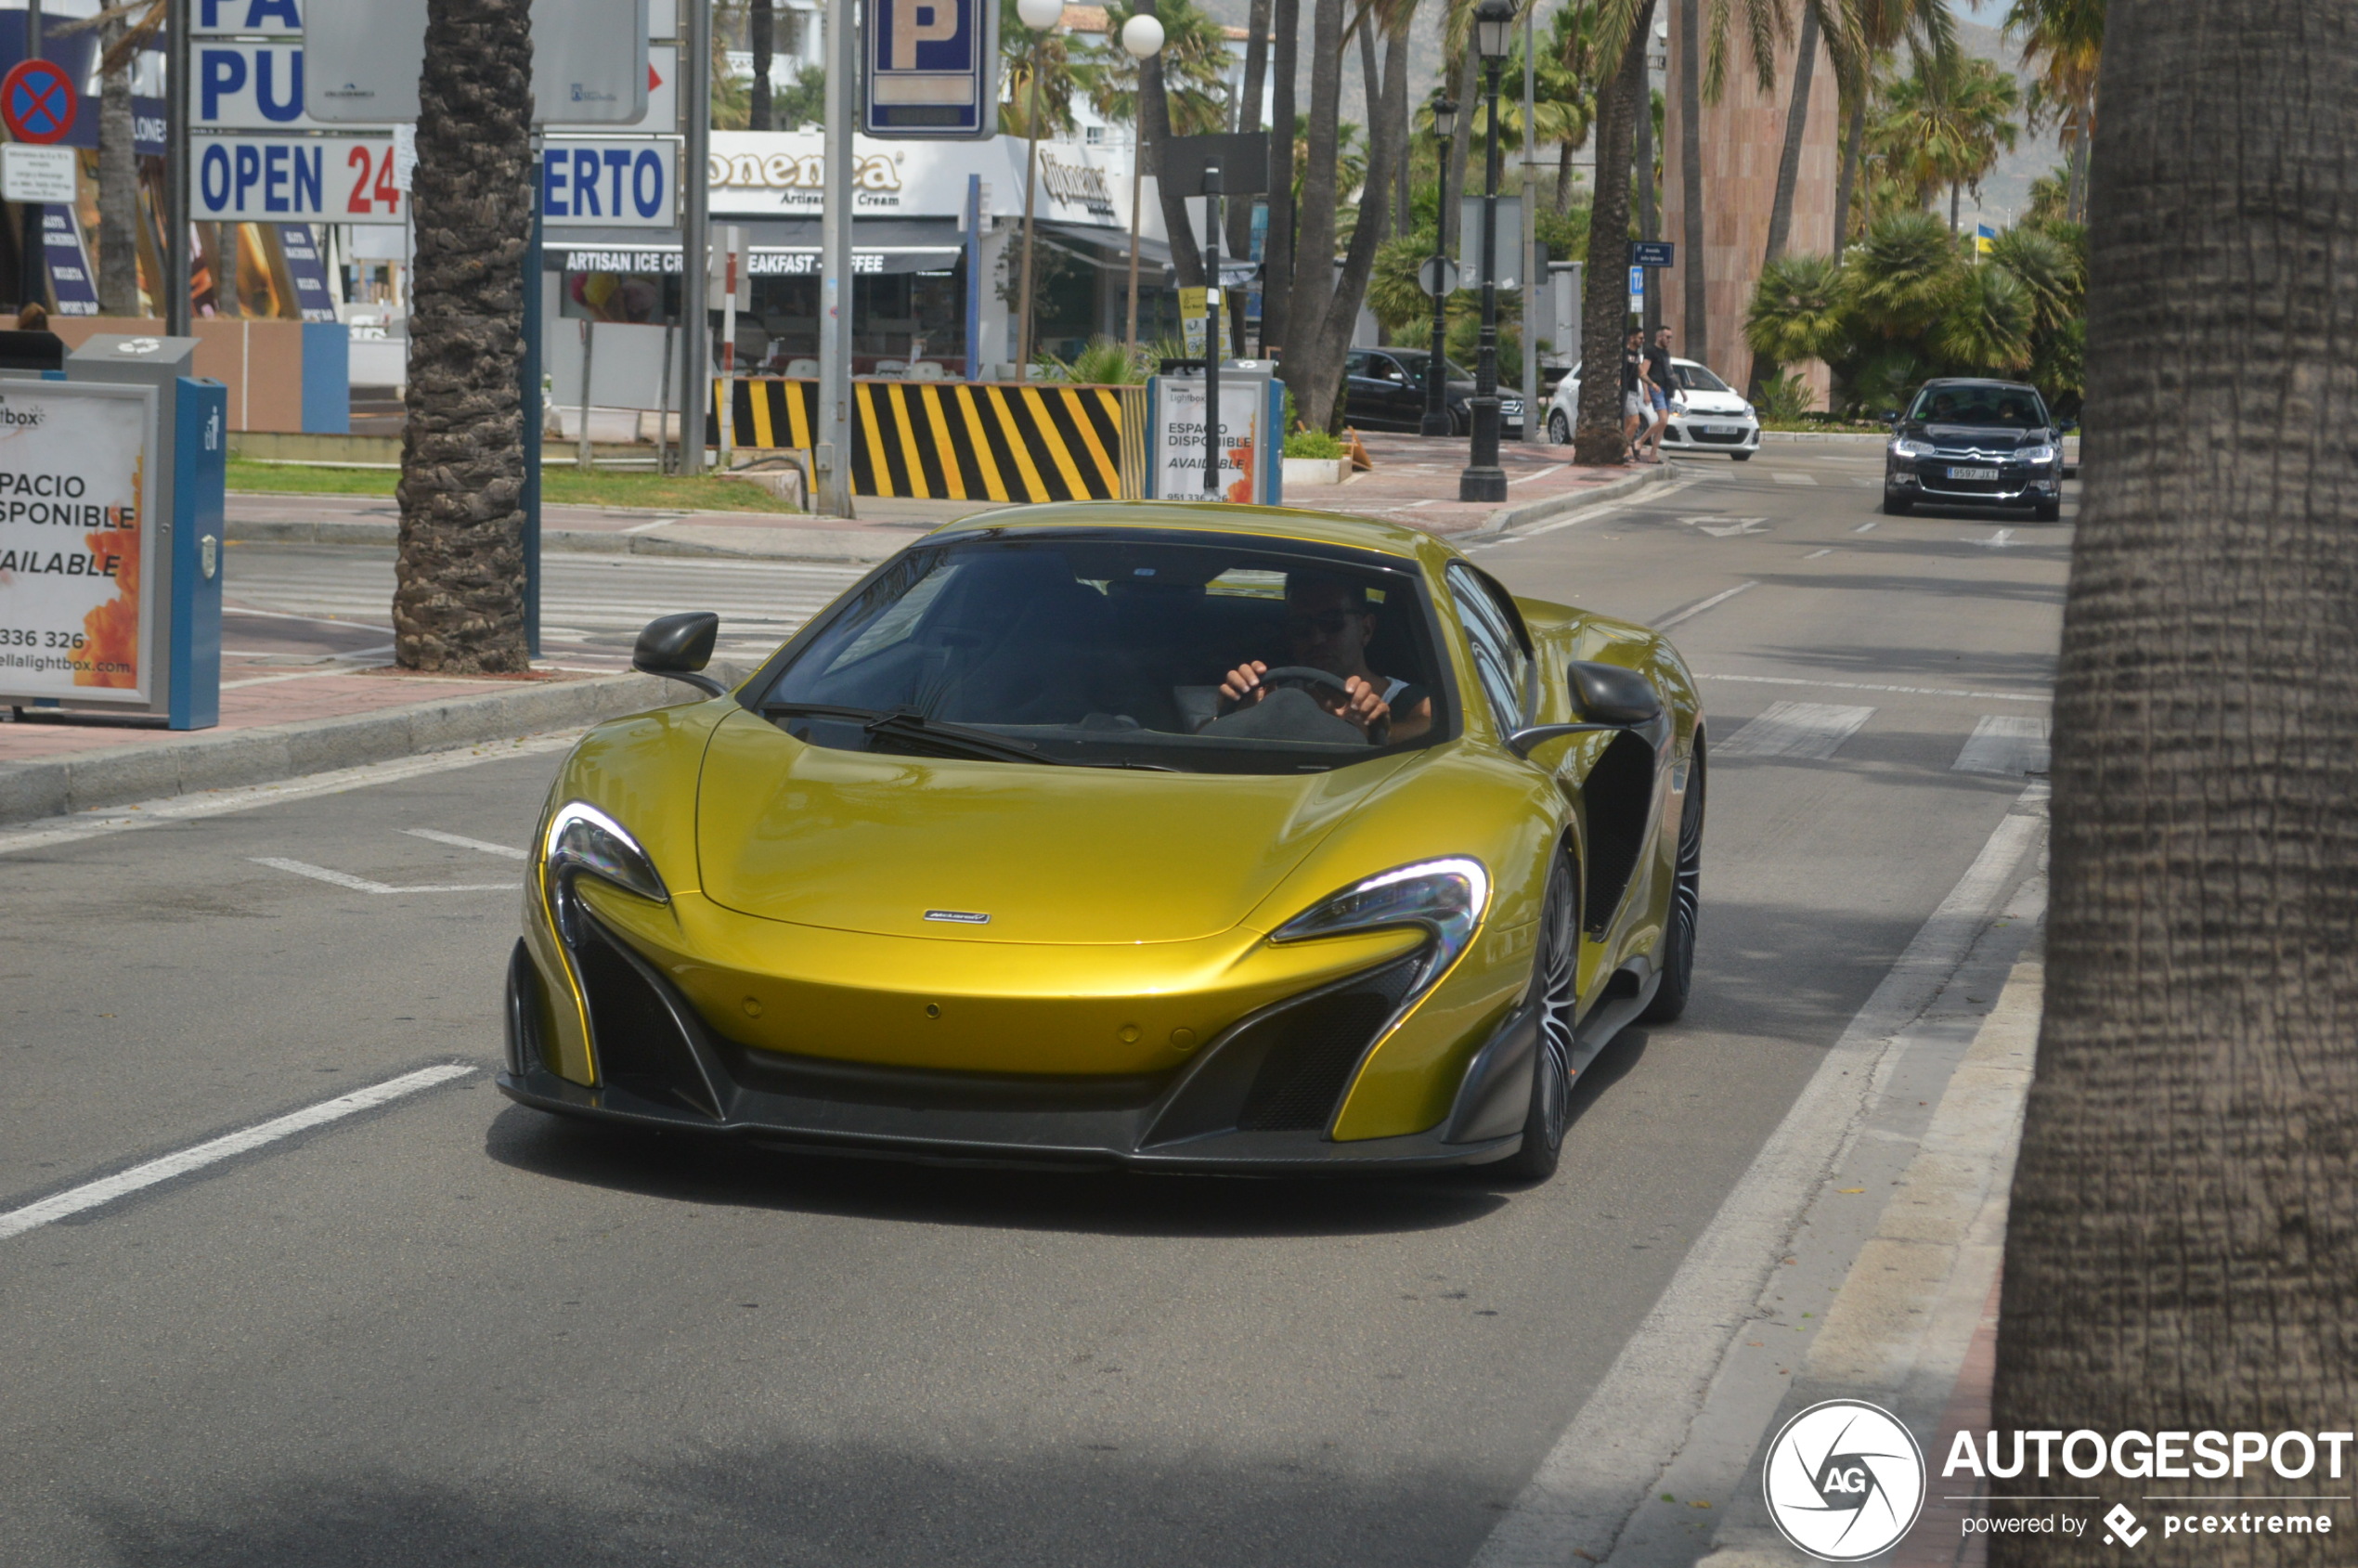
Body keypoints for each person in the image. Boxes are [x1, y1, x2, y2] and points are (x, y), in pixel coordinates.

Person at [1216, 575, 1433, 743]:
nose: (1316, 638)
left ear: (1366, 629)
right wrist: (1235, 718)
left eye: (1332, 622)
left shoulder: (1411, 702)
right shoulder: (1270, 699)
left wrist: (1378, 732)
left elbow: (1436, 730)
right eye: (1301, 626)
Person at [1642, 327, 1678, 460]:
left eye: (1671, 337)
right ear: (1659, 337)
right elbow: (1643, 373)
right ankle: (1640, 442)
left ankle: (1653, 454)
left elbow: (1670, 372)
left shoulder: (1665, 353)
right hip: (1656, 388)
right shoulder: (1651, 351)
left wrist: (1681, 390)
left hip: (1667, 389)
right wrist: (1646, 392)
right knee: (1662, 420)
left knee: (1663, 423)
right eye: (1667, 337)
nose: (1670, 340)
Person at [1620, 329, 1651, 462]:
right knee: (1635, 422)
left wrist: (1652, 384)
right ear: (1632, 338)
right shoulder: (1623, 353)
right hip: (1625, 392)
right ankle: (1622, 448)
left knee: (1628, 425)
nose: (1642, 341)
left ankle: (1625, 451)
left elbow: (1641, 373)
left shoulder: (1636, 355)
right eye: (1640, 338)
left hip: (1633, 392)